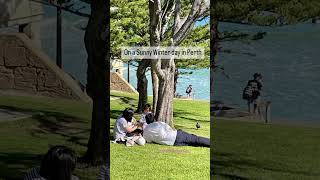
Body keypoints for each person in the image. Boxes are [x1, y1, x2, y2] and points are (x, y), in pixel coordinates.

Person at [143, 113, 210, 147]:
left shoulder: (146, 131)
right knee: (195, 139)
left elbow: (149, 141)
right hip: (176, 135)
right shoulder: (159, 123)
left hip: (174, 143)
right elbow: (169, 129)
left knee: (193, 143)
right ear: (154, 119)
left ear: (146, 121)